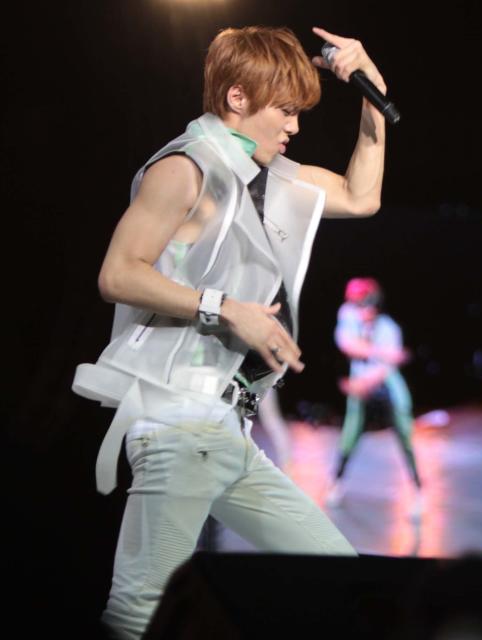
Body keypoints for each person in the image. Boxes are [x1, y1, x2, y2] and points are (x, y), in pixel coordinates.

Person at [72, 25, 389, 639]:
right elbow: (118, 272)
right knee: (140, 613)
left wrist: (372, 88)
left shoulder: (273, 180)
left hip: (225, 434)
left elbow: (362, 195)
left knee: (343, 582)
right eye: (286, 110)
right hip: (176, 423)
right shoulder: (184, 169)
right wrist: (226, 307)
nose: (295, 127)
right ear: (238, 98)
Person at [326, 278, 423, 518]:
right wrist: (384, 354)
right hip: (361, 377)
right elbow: (347, 345)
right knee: (350, 432)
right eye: (358, 306)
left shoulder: (389, 328)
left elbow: (385, 370)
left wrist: (362, 383)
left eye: (367, 307)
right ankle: (336, 483)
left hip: (382, 381)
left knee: (404, 428)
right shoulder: (348, 314)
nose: (362, 312)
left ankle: (418, 490)